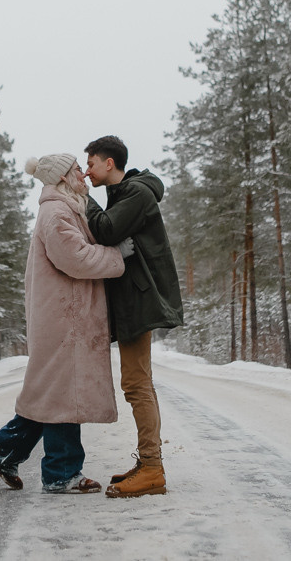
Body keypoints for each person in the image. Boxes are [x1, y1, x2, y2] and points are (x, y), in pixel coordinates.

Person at [0, 153, 128, 494]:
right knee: (65, 394)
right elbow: (75, 259)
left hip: (65, 314)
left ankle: (5, 449)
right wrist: (118, 255)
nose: (82, 173)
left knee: (54, 391)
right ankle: (61, 472)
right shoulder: (57, 211)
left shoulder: (65, 207)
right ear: (62, 177)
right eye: (76, 168)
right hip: (65, 317)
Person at [83, 135, 184, 498]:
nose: (86, 172)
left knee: (137, 384)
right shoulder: (126, 194)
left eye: (91, 164)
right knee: (137, 383)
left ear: (109, 163)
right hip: (133, 300)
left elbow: (105, 230)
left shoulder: (136, 194)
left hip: (140, 301)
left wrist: (82, 200)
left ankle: (153, 469)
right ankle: (148, 463)